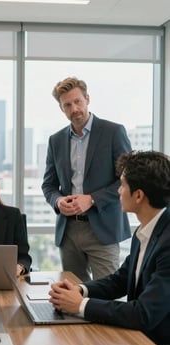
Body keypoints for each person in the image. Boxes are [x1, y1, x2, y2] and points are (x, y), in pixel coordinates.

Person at [49, 150, 170, 345]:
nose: (118, 191)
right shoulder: (146, 230)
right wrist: (80, 290)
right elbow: (120, 280)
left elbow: (142, 313)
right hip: (140, 339)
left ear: (138, 195)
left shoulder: (167, 241)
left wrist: (80, 305)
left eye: (122, 185)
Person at [42, 76, 132, 281]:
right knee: (72, 296)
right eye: (67, 105)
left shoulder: (113, 132)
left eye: (77, 102)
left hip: (103, 228)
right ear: (61, 108)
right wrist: (58, 200)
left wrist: (91, 199)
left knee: (106, 296)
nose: (74, 109)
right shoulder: (55, 140)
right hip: (68, 231)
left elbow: (127, 179)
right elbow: (48, 185)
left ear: (87, 99)